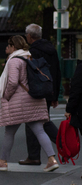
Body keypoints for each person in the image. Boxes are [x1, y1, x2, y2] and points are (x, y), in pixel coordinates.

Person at [0, 35, 59, 172]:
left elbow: (13, 81)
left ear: (14, 47)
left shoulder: (14, 61)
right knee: (39, 130)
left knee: (9, 132)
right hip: (33, 99)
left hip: (19, 101)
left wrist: (6, 95)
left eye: (8, 45)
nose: (6, 48)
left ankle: (2, 162)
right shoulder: (29, 57)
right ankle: (52, 159)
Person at [18, 23, 62, 166]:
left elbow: (30, 73)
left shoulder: (32, 52)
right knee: (41, 119)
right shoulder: (51, 50)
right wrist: (54, 95)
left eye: (26, 35)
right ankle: (38, 153)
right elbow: (56, 71)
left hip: (36, 91)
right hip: (48, 89)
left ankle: (37, 154)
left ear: (30, 36)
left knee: (36, 120)